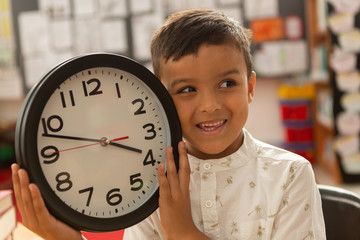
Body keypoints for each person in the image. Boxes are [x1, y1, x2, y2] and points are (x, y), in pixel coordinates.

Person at [12, 9, 326, 240]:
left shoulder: (290, 174)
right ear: (160, 99)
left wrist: (184, 233)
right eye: (187, 90)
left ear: (251, 87)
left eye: (227, 83)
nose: (209, 105)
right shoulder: (151, 179)